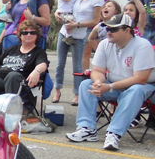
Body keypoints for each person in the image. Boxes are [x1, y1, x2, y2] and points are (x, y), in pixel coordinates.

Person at [66, 14, 155, 151]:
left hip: (145, 88)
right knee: (86, 85)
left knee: (135, 90)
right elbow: (97, 70)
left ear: (127, 30)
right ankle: (87, 129)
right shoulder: (104, 44)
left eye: (113, 29)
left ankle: (114, 133)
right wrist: (98, 82)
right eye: (107, 28)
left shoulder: (142, 45)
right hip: (115, 86)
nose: (108, 32)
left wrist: (109, 86)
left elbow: (140, 78)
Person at [0, 21, 49, 112]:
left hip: (21, 83)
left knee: (12, 75)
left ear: (37, 35)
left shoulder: (38, 52)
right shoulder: (12, 49)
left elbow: (43, 64)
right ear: (20, 35)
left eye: (32, 32)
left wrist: (36, 71)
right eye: (25, 32)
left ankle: (9, 113)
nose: (29, 35)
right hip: (2, 80)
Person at [55, 0, 105, 103]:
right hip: (65, 31)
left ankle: (77, 94)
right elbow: (65, 6)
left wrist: (77, 25)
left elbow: (95, 20)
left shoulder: (97, 0)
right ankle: (57, 90)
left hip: (78, 35)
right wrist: (57, 14)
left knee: (77, 66)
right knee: (60, 64)